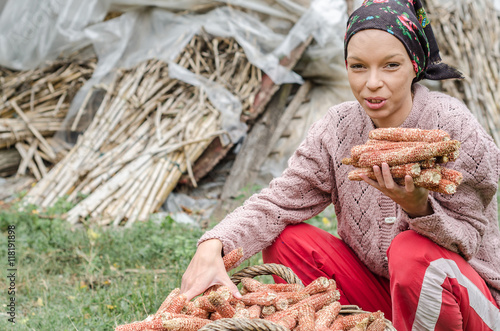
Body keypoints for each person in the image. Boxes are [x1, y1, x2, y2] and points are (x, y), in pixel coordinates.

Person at [181, 0, 500, 329]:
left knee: (410, 251)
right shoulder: (338, 128)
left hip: (469, 301)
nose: (372, 82)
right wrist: (213, 245)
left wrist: (418, 208)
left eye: (390, 65)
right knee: (286, 240)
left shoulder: (452, 126)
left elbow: (467, 242)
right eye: (359, 66)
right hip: (386, 295)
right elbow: (278, 202)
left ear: (414, 64)